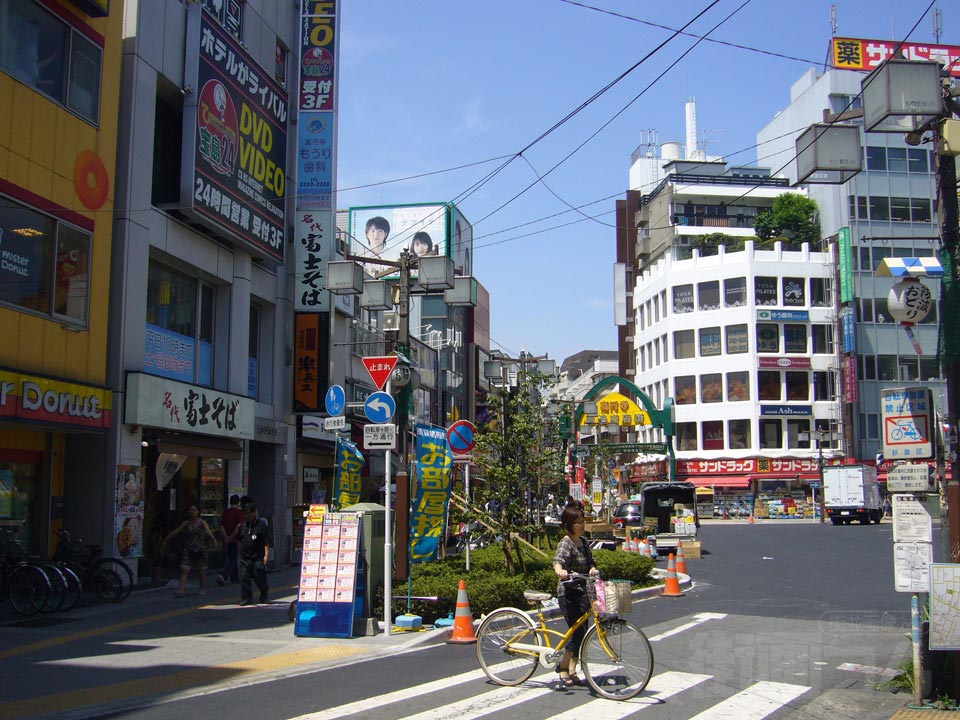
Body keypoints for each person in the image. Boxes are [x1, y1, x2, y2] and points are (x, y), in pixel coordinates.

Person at [552, 500, 598, 687]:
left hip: (584, 591)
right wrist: (560, 571)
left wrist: (593, 569)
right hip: (568, 592)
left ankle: (572, 668)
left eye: (582, 521)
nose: (582, 524)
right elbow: (557, 562)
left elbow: (591, 562)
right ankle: (563, 667)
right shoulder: (566, 542)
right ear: (570, 525)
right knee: (575, 631)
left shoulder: (584, 542)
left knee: (583, 631)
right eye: (579, 522)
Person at [162, 505, 219, 597]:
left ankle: (202, 588)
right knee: (185, 569)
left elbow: (208, 532)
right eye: (190, 510)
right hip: (188, 548)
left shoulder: (202, 523)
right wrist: (167, 539)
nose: (192, 511)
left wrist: (214, 540)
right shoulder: (186, 523)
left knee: (201, 570)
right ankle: (181, 590)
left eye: (193, 510)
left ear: (198, 512)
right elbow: (177, 531)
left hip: (199, 549)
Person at [237, 502, 271, 605]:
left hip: (257, 557)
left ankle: (264, 591)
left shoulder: (261, 525)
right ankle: (246, 598)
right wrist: (239, 552)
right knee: (244, 577)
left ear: (254, 513)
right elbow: (239, 540)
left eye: (248, 514)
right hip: (244, 557)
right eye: (245, 514)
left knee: (259, 577)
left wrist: (266, 555)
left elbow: (266, 542)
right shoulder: (243, 526)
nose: (246, 516)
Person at [216, 494, 243, 586]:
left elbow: (222, 526)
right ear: (238, 502)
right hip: (235, 539)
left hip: (227, 539)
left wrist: (226, 536)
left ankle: (234, 578)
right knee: (233, 558)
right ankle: (224, 576)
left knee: (231, 557)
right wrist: (231, 536)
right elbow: (238, 526)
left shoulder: (226, 512)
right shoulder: (239, 513)